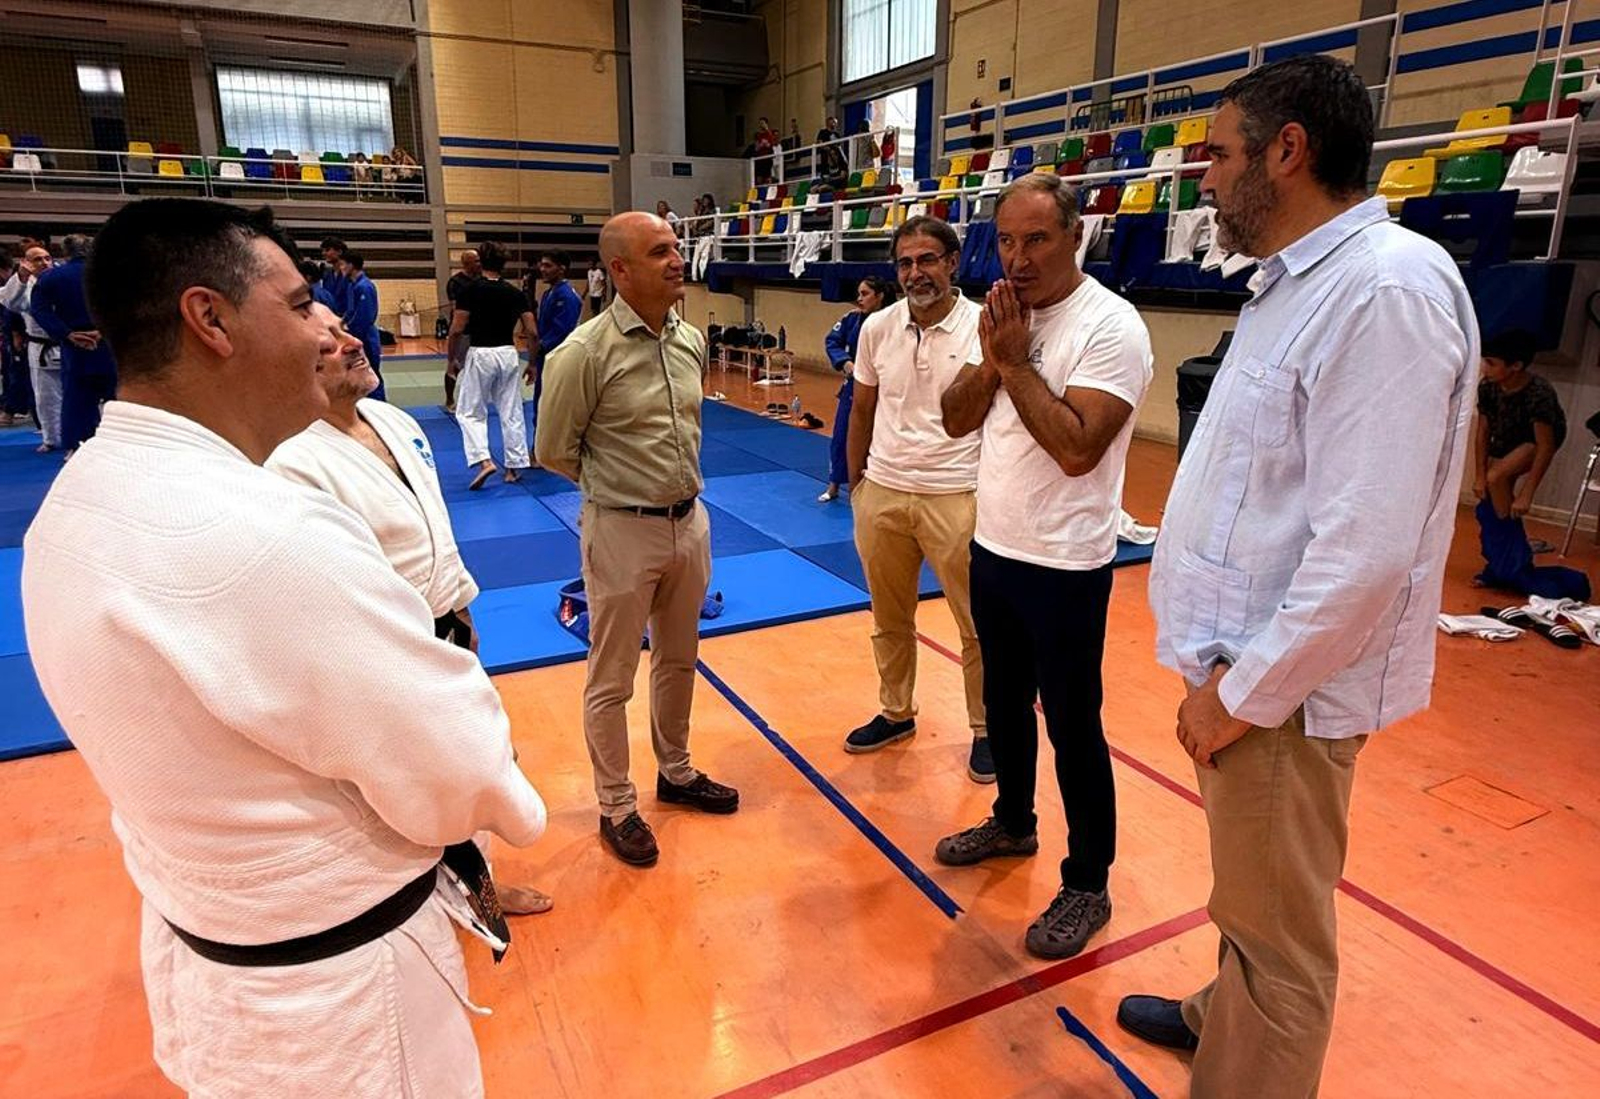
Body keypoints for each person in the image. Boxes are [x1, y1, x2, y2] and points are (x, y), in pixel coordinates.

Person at [21, 197, 546, 1097]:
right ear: (210, 319)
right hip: (343, 1005)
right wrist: (502, 797)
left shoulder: (71, 508)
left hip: (220, 963)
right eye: (302, 305)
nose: (324, 333)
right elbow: (459, 764)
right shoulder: (269, 532)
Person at [1113, 56, 1480, 1098]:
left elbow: (1365, 551)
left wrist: (1239, 693)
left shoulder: (1383, 292)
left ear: (1288, 150)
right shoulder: (1297, 281)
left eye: (1220, 154)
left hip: (1283, 693)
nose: (1204, 179)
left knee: (1280, 944)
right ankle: (1214, 1014)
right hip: (1250, 673)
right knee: (1253, 898)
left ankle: (1247, 1050)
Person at [268, 304, 553, 916]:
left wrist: (461, 608)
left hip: (443, 624)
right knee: (406, 786)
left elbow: (434, 532)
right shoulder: (288, 458)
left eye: (348, 330)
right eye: (330, 341)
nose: (354, 343)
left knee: (468, 765)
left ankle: (479, 888)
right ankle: (423, 900)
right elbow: (326, 589)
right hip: (381, 651)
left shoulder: (391, 419)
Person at [935, 172, 1154, 960]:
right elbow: (954, 417)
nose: (1019, 258)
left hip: (1066, 565)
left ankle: (1088, 880)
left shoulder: (1112, 327)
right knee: (1003, 703)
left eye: (1038, 239)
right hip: (994, 548)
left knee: (1072, 725)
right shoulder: (1001, 316)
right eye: (1007, 241)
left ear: (1076, 237)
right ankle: (1014, 822)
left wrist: (1016, 362)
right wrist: (996, 359)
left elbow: (1074, 447)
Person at [536, 211, 740, 868]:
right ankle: (616, 804)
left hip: (692, 521)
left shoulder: (690, 341)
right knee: (613, 675)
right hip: (621, 528)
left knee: (679, 659)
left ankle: (675, 773)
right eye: (659, 252)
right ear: (620, 270)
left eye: (676, 248)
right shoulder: (583, 354)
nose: (677, 259)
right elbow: (552, 450)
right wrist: (622, 487)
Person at [843, 216, 991, 780]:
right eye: (904, 263)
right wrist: (858, 486)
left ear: (953, 263)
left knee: (977, 625)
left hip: (957, 493)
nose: (915, 273)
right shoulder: (876, 327)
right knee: (889, 617)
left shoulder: (984, 325)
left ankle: (986, 727)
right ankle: (896, 710)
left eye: (927, 260)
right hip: (883, 491)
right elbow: (862, 409)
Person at [1469, 328, 1585, 598]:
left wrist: (1527, 494)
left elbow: (1545, 446)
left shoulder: (1538, 393)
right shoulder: (1488, 387)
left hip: (1536, 441)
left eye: (1492, 363)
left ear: (1516, 366)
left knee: (1496, 478)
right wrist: (1477, 473)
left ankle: (1511, 562)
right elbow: (1482, 432)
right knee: (1493, 497)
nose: (1485, 367)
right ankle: (1504, 564)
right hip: (1506, 437)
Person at [448, 241, 536, 490]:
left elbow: (456, 330)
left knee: (469, 411)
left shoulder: (469, 290)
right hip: (509, 354)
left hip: (481, 353)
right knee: (512, 411)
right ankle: (513, 468)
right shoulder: (515, 293)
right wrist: (532, 362)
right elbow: (532, 331)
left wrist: (452, 359)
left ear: (481, 262)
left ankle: (483, 460)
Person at [29, 233, 116, 453]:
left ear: (65, 253)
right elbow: (129, 306)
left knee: (77, 398)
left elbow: (39, 310)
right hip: (110, 344)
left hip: (76, 346)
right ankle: (122, 444)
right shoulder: (111, 274)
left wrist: (66, 334)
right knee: (119, 396)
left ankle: (77, 447)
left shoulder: (51, 278)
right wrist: (103, 330)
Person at [819, 276, 896, 503]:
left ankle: (878, 486)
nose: (859, 299)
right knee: (842, 436)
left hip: (885, 388)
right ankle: (834, 485)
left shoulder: (895, 322)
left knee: (880, 438)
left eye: (865, 294)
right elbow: (832, 341)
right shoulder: (851, 319)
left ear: (880, 296)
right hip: (854, 385)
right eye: (859, 294)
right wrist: (845, 362)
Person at [0, 244, 62, 452]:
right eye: (37, 259)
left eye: (47, 258)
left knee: (73, 393)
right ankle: (51, 438)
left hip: (68, 343)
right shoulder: (23, 285)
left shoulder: (63, 278)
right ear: (26, 263)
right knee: (45, 397)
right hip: (39, 345)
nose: (44, 262)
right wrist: (21, 278)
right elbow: (11, 303)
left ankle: (79, 434)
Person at [532, 249, 583, 433]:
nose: (542, 269)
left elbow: (563, 331)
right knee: (541, 401)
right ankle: (538, 447)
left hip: (559, 357)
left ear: (561, 269)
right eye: (541, 264)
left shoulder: (567, 296)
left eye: (548, 265)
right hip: (545, 358)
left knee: (555, 405)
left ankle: (552, 450)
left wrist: (541, 346)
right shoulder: (548, 294)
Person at [341, 252, 384, 401]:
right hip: (356, 334)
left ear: (351, 265)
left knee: (372, 373)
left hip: (366, 336)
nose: (341, 268)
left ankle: (380, 406)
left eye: (343, 264)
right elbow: (350, 311)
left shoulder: (365, 286)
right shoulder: (353, 285)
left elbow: (365, 316)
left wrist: (349, 331)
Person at [444, 249, 483, 411]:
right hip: (463, 330)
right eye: (476, 261)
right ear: (466, 263)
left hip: (481, 329)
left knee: (483, 367)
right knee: (455, 365)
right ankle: (449, 400)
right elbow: (456, 309)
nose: (479, 264)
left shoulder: (482, 280)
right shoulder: (456, 282)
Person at [0, 247, 33, 427]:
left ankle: (11, 410)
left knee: (17, 372)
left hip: (22, 332)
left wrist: (15, 334)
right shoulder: (15, 281)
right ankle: (10, 409)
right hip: (13, 331)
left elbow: (13, 308)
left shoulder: (27, 281)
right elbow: (9, 307)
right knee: (12, 371)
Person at [319, 237, 349, 317]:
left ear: (339, 251)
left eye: (327, 250)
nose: (323, 253)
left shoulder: (350, 276)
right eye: (323, 250)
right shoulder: (327, 275)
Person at [817, 116, 846, 181]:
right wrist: (829, 150)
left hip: (836, 159)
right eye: (833, 121)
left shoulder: (836, 134)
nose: (835, 123)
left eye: (835, 122)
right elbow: (820, 143)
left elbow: (839, 147)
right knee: (826, 177)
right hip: (826, 159)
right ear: (828, 122)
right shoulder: (823, 132)